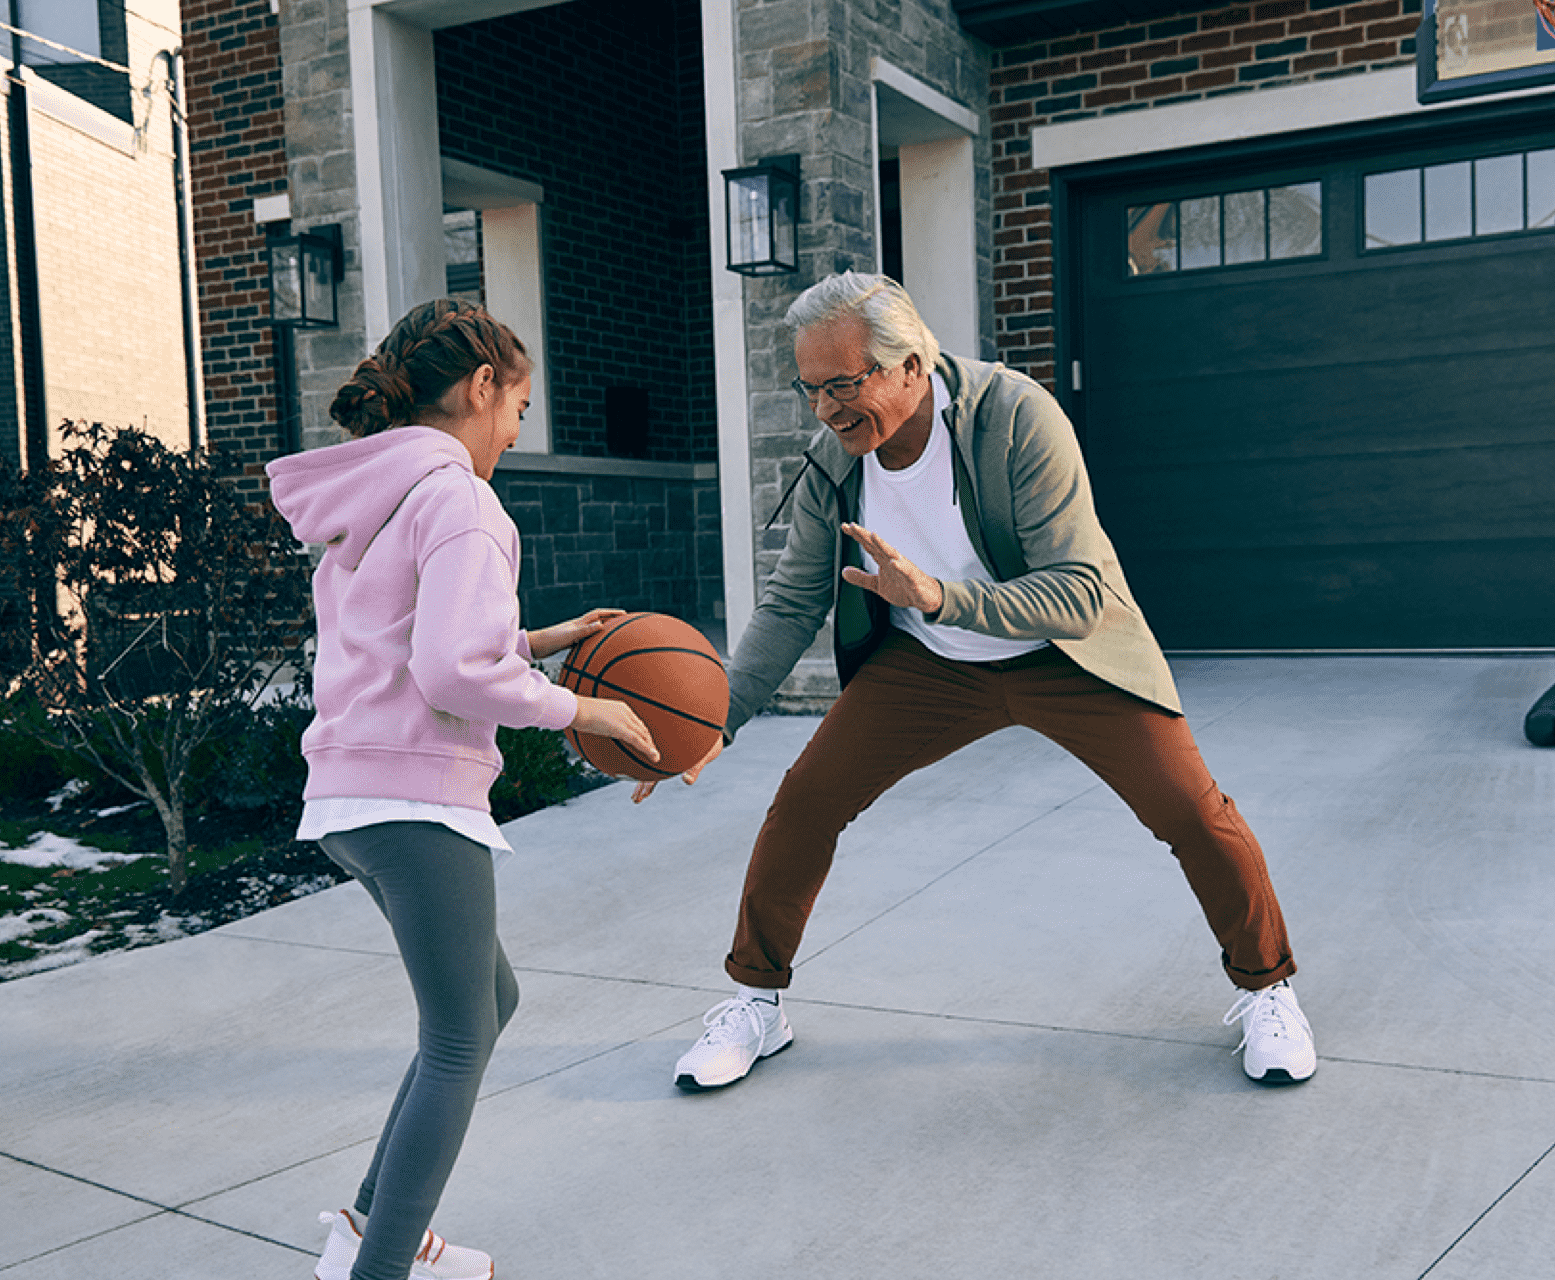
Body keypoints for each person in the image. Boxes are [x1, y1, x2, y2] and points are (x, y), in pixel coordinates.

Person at [638, 272, 1316, 1091]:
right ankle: (755, 1001)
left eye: (844, 385)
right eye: (810, 387)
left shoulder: (1016, 416)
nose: (825, 408)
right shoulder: (834, 459)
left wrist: (936, 595)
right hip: (929, 667)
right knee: (807, 801)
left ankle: (1267, 989)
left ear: (911, 366)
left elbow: (1078, 591)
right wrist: (721, 716)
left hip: (1066, 658)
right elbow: (790, 601)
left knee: (1193, 813)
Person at [267, 299, 657, 1280]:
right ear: (482, 386)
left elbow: (414, 642)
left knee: (490, 997)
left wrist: (537, 643)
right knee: (459, 1036)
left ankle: (367, 1228)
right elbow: (449, 673)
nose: (519, 430)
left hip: (351, 795)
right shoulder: (462, 500)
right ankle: (380, 1266)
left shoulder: (382, 492)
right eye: (519, 405)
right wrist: (583, 710)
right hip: (413, 794)